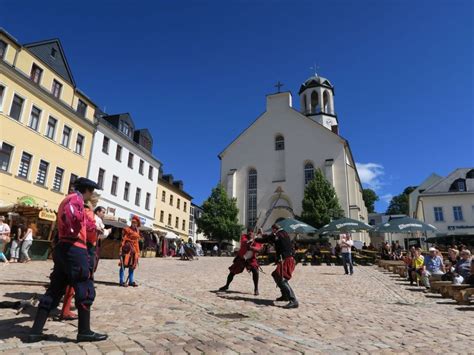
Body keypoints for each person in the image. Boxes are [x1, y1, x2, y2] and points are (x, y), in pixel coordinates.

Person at [28, 177, 107, 343]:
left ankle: (35, 331)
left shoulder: (66, 200)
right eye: (91, 192)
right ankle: (84, 331)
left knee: (55, 288)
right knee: (84, 286)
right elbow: (75, 225)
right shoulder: (76, 200)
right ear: (87, 190)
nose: (91, 196)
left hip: (63, 247)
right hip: (74, 247)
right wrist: (91, 227)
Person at [255, 224, 298, 309]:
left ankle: (293, 300)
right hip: (287, 259)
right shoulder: (283, 233)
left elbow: (267, 239)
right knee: (275, 274)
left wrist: (255, 239)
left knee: (282, 279)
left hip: (287, 259)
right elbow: (270, 238)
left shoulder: (278, 234)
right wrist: (262, 233)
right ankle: (285, 295)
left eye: (272, 230)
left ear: (274, 229)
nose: (272, 232)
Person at [219, 228, 262, 295]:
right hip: (241, 258)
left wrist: (252, 247)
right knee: (232, 272)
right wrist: (250, 242)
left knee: (255, 271)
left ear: (254, 233)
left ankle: (256, 289)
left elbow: (259, 249)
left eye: (252, 232)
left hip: (251, 259)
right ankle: (226, 285)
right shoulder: (244, 236)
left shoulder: (256, 240)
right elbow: (244, 242)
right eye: (249, 232)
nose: (250, 233)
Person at [119, 215, 141, 287]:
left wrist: (138, 252)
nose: (134, 224)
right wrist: (121, 249)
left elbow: (137, 242)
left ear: (137, 224)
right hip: (127, 249)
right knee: (123, 265)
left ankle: (131, 281)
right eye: (133, 222)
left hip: (134, 250)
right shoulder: (127, 229)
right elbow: (123, 240)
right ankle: (121, 281)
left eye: (135, 223)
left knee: (132, 266)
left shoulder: (137, 231)